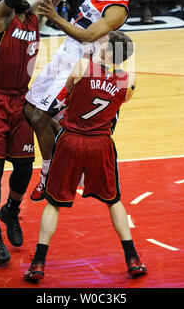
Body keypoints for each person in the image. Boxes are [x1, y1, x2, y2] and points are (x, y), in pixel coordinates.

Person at [0, 0, 100, 264]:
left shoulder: (33, 17)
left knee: (24, 169)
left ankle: (11, 211)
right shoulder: (1, 17)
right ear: (5, 0)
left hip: (21, 99)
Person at [23, 0, 142, 202]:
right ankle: (69, 147)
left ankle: (49, 173)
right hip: (65, 50)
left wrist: (56, 17)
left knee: (37, 116)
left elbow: (89, 34)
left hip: (80, 59)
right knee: (30, 110)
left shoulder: (118, 11)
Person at [24, 30, 147, 282]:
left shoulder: (82, 66)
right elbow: (115, 106)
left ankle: (38, 263)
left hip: (70, 141)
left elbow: (64, 97)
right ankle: (133, 258)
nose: (100, 43)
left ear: (110, 51)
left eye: (104, 43)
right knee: (113, 201)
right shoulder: (129, 81)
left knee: (54, 203)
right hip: (100, 144)